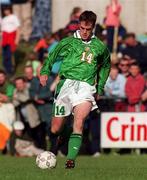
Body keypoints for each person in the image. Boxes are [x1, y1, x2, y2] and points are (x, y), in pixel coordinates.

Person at [39, 11, 111, 169]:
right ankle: (63, 135)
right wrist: (44, 71)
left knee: (79, 121)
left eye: (89, 29)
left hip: (86, 87)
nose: (85, 32)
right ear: (79, 25)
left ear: (93, 27)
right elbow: (52, 56)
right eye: (83, 28)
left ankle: (70, 160)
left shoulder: (99, 46)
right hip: (65, 85)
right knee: (55, 128)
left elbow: (106, 65)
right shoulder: (68, 42)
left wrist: (99, 86)